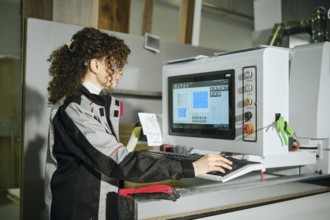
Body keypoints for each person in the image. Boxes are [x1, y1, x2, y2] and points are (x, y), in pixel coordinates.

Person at [45, 27, 232, 220]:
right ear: (95, 65)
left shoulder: (95, 103)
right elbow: (120, 162)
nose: (121, 71)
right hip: (79, 210)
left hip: (97, 204)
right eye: (116, 64)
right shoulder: (74, 109)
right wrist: (191, 167)